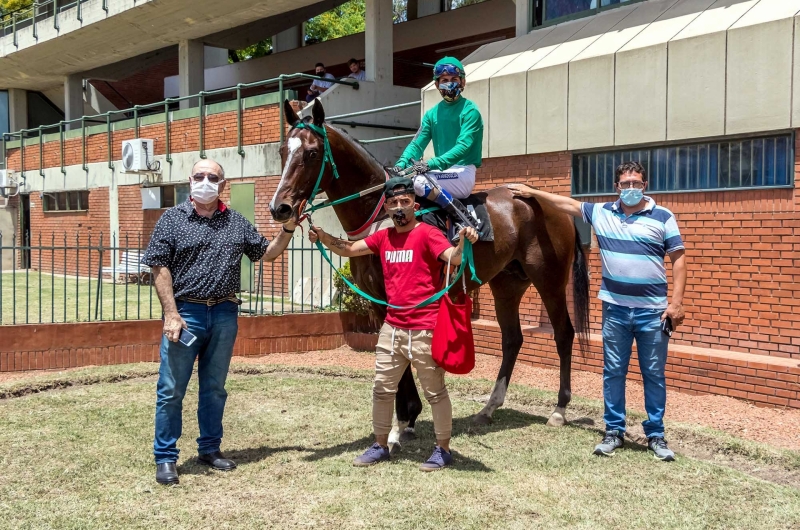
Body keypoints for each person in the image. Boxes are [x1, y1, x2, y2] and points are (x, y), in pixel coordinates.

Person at [508, 161, 687, 462]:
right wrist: (532, 192)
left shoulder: (663, 217)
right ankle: (614, 431)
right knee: (613, 373)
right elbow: (567, 204)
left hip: (652, 313)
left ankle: (655, 434)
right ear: (616, 187)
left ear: (645, 185)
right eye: (626, 184)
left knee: (653, 374)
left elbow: (679, 259)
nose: (631, 189)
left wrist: (677, 304)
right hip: (615, 311)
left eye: (637, 183)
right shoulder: (602, 212)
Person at [142, 159, 297, 486]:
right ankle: (166, 457)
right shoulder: (171, 219)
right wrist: (171, 313)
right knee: (171, 390)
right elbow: (159, 267)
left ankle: (210, 449)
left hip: (225, 314)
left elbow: (266, 254)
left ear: (223, 184)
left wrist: (287, 228)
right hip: (186, 315)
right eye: (199, 176)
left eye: (212, 177)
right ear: (189, 180)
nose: (205, 181)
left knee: (214, 389)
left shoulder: (236, 222)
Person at [309, 176, 478, 471]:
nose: (399, 207)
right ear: (385, 207)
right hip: (393, 327)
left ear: (414, 204)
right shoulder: (383, 237)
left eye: (404, 201)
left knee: (435, 391)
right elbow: (349, 249)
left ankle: (443, 449)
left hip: (425, 327)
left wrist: (464, 241)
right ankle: (380, 444)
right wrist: (323, 236)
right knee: (382, 389)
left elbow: (452, 256)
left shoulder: (428, 234)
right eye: (393, 203)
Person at [393, 56, 483, 235]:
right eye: (444, 81)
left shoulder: (470, 111)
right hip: (441, 174)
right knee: (401, 183)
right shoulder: (431, 114)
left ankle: (462, 217)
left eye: (454, 80)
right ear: (436, 85)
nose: (449, 84)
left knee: (418, 182)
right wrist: (400, 164)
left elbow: (463, 147)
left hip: (462, 172)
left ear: (463, 82)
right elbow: (417, 144)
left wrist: (430, 164)